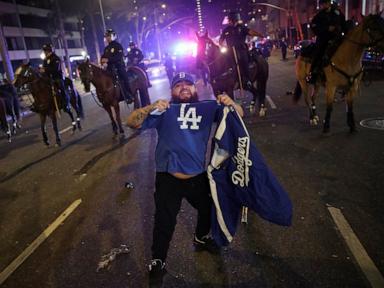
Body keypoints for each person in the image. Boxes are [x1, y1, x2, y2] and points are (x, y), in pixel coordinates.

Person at [126, 72, 244, 286]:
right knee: (164, 221)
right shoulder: (164, 111)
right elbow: (131, 122)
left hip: (197, 177)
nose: (183, 88)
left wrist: (230, 102)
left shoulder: (209, 108)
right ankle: (158, 261)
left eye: (188, 84)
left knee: (209, 207)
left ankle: (200, 237)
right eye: (178, 85)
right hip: (168, 178)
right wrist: (151, 107)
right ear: (172, 91)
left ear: (195, 88)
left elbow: (239, 116)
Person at [219, 11, 263, 88]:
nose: (230, 22)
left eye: (231, 20)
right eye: (230, 20)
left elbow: (250, 32)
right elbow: (221, 40)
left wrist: (259, 34)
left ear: (234, 20)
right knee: (223, 60)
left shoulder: (242, 28)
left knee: (243, 61)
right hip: (230, 51)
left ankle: (248, 80)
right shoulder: (226, 30)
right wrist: (223, 46)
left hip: (241, 50)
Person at [306, 0, 346, 84]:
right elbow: (314, 26)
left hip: (337, 37)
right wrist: (327, 28)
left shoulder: (337, 12)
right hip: (324, 38)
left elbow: (343, 23)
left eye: (326, 3)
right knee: (318, 53)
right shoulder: (319, 16)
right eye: (323, 4)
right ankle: (313, 74)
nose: (325, 5)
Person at [101, 29, 133, 102]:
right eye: (106, 36)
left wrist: (108, 60)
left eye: (109, 36)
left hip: (118, 67)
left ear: (113, 36)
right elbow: (103, 57)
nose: (107, 38)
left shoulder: (118, 46)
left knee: (124, 78)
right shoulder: (106, 49)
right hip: (109, 68)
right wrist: (102, 61)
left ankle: (129, 95)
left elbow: (119, 56)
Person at [41, 44, 70, 112]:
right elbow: (44, 68)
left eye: (46, 51)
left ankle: (66, 103)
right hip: (48, 78)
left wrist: (45, 70)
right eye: (44, 51)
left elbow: (55, 69)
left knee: (61, 86)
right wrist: (42, 71)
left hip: (57, 77)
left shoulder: (56, 58)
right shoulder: (45, 60)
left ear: (49, 51)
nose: (45, 52)